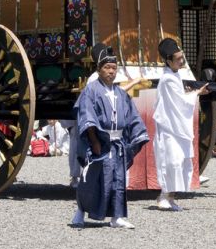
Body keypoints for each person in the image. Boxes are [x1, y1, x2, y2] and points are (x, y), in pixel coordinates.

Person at [71, 45, 149, 229]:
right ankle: (80, 212)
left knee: (118, 181)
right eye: (107, 67)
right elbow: (87, 115)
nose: (111, 72)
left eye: (114, 68)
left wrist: (139, 135)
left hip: (118, 144)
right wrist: (95, 140)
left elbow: (132, 116)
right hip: (98, 142)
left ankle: (117, 216)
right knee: (90, 179)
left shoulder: (121, 93)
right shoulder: (91, 90)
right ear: (99, 69)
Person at [152, 38, 208, 211]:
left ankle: (171, 196)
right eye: (178, 59)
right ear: (168, 61)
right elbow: (179, 102)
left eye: (181, 57)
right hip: (170, 126)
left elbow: (180, 99)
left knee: (180, 160)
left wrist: (193, 94)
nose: (181, 61)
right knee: (171, 161)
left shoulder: (175, 75)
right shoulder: (168, 79)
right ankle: (163, 195)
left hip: (177, 125)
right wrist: (197, 93)